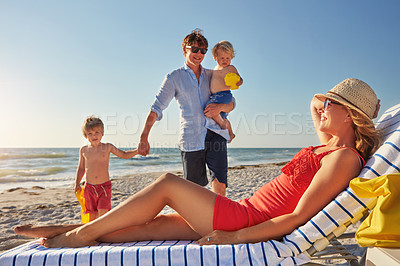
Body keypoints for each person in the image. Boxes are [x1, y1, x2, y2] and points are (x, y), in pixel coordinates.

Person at [14, 78, 382, 249]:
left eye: (332, 104)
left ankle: (79, 234)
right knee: (147, 227)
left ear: (349, 117)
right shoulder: (328, 145)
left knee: (167, 184)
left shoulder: (344, 158)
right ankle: (66, 229)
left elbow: (298, 216)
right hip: (238, 209)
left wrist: (234, 237)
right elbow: (314, 107)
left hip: (242, 219)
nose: (323, 109)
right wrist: (324, 99)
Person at [138, 30, 235, 196]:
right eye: (194, 49)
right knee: (194, 192)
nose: (199, 54)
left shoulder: (212, 75)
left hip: (216, 134)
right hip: (191, 139)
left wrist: (220, 108)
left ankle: (218, 221)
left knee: (220, 184)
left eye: (203, 51)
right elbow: (156, 108)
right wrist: (144, 137)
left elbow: (231, 103)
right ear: (185, 50)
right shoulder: (174, 77)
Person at [75, 116, 138, 221]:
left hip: (104, 188)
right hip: (89, 188)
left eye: (96, 132)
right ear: (85, 135)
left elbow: (124, 154)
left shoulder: (107, 147)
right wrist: (77, 182)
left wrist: (137, 151)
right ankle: (93, 236)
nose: (94, 135)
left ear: (102, 133)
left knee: (103, 215)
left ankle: (103, 235)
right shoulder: (84, 150)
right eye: (90, 133)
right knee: (92, 216)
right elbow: (81, 168)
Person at [207, 40, 243, 142]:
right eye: (222, 58)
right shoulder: (215, 69)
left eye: (228, 58)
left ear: (231, 58)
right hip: (215, 96)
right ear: (215, 57)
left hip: (224, 95)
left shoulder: (230, 68)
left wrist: (237, 82)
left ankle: (223, 125)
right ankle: (230, 133)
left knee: (209, 109)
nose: (225, 60)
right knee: (220, 115)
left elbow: (240, 80)